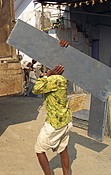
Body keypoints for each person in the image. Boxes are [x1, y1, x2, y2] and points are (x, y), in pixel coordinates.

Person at [32, 39, 72, 175]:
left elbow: (36, 89)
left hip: (55, 124)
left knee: (39, 149)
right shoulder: (64, 78)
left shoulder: (53, 79)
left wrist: (48, 74)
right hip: (66, 120)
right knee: (63, 150)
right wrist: (62, 48)